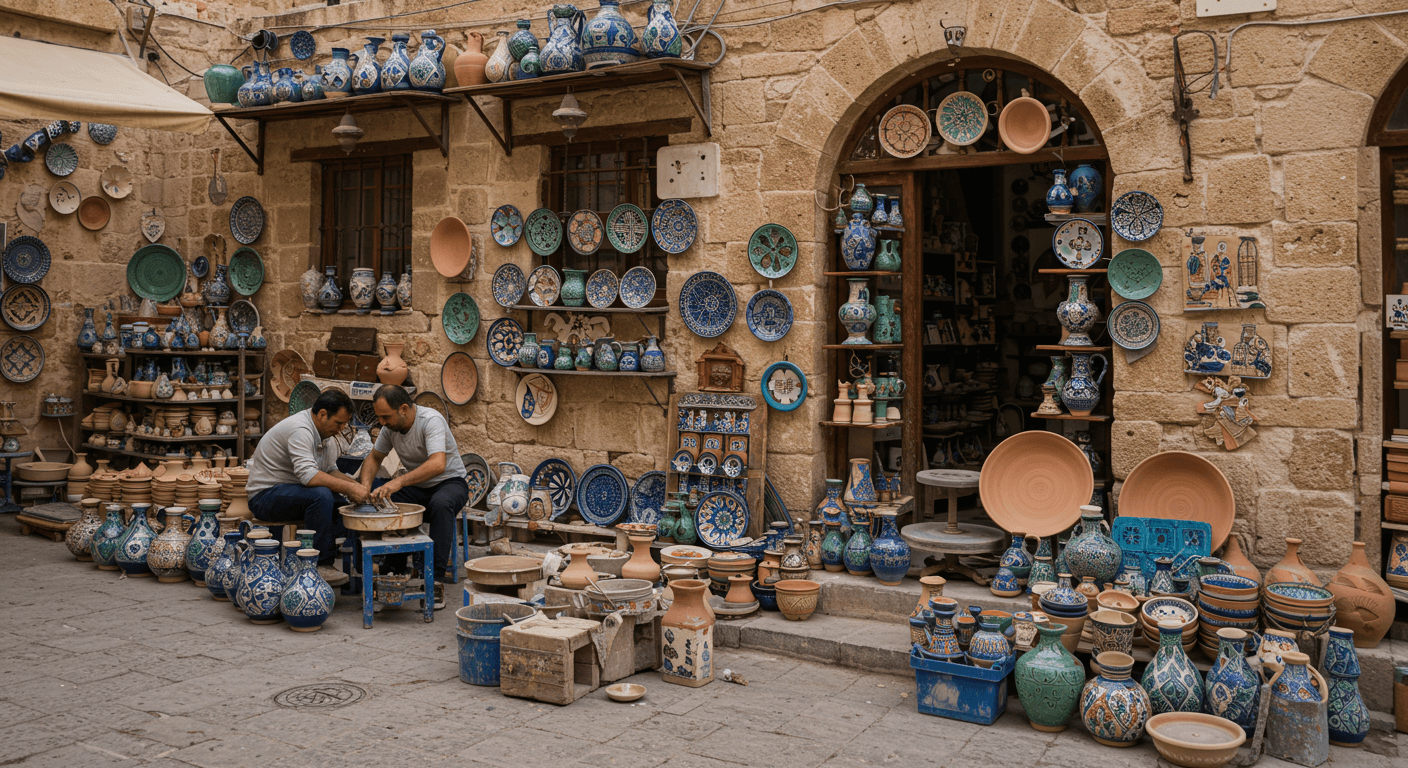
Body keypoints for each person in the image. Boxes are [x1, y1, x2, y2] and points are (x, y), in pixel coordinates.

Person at [358, 384, 468, 607]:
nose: (382, 423)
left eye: (386, 416)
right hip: (419, 486)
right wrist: (365, 488)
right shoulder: (390, 429)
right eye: (379, 417)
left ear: (404, 409)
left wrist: (398, 481)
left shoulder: (431, 421)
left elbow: (438, 464)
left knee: (441, 503)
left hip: (450, 482)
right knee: (386, 499)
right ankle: (393, 572)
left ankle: (434, 581)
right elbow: (373, 458)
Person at [245, 388, 366, 583]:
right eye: (339, 422)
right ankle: (320, 564)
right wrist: (349, 488)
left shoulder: (326, 437)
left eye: (344, 423)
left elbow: (329, 470)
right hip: (264, 496)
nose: (341, 428)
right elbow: (308, 476)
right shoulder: (300, 429)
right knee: (321, 495)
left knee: (342, 501)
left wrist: (357, 487)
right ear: (322, 414)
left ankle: (349, 559)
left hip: (291, 493)